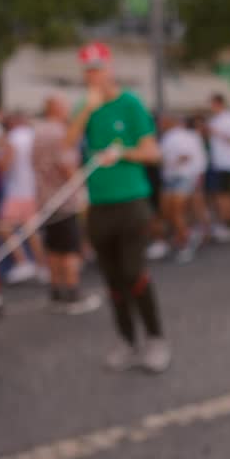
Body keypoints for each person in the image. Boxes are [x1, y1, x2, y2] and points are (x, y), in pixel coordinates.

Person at [67, 43, 170, 373]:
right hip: (98, 205)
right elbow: (67, 143)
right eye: (88, 71)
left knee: (133, 272)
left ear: (110, 69)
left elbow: (153, 152)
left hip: (132, 202)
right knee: (111, 279)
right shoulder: (85, 107)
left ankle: (155, 338)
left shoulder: (130, 104)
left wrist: (121, 153)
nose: (93, 76)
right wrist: (87, 110)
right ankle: (127, 340)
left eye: (98, 68)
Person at [32, 96, 100, 314]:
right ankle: (72, 293)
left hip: (45, 197)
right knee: (70, 248)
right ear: (57, 108)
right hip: (64, 199)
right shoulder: (61, 133)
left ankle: (56, 291)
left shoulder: (38, 131)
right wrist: (81, 188)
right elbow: (66, 165)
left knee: (53, 247)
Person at [0, 111, 47, 285]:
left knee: (4, 227)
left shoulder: (12, 138)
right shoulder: (33, 135)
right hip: (33, 189)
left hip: (17, 191)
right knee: (31, 230)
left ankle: (24, 263)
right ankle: (41, 266)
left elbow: (4, 165)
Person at [159, 116, 208, 264]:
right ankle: (188, 236)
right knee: (173, 212)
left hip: (181, 177)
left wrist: (170, 164)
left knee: (176, 212)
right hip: (179, 177)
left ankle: (186, 243)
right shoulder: (186, 135)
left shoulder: (175, 136)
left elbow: (186, 156)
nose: (160, 124)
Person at [207, 93, 230, 240]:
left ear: (218, 103)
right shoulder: (215, 119)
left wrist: (218, 133)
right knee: (221, 196)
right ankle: (226, 224)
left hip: (229, 163)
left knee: (226, 196)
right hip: (219, 163)